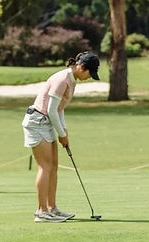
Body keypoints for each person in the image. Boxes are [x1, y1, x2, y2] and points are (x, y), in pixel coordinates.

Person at [22, 51, 100, 222]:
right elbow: (50, 110)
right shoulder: (62, 79)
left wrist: (64, 131)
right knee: (45, 166)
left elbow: (59, 109)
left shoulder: (72, 81)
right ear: (81, 67)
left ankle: (52, 208)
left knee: (54, 166)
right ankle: (41, 212)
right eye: (90, 73)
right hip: (37, 122)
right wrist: (61, 134)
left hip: (47, 122)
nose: (89, 77)